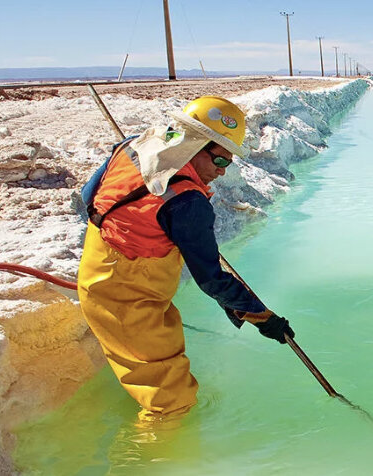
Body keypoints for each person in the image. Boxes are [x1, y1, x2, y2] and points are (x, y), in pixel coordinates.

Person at [77, 96, 294, 422]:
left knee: (162, 360)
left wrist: (141, 227)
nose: (222, 173)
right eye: (221, 162)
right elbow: (211, 279)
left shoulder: (135, 147)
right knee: (172, 404)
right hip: (126, 299)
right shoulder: (186, 202)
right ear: (196, 145)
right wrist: (264, 318)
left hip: (101, 270)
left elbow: (88, 198)